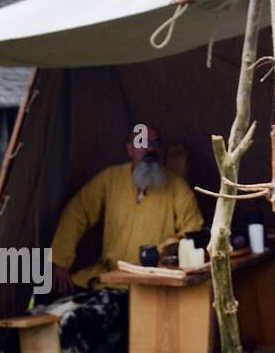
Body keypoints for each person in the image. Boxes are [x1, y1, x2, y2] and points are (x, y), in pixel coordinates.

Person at [50, 123, 203, 293]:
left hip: (153, 278)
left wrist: (160, 251)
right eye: (142, 142)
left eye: (155, 143)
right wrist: (60, 262)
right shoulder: (110, 179)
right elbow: (78, 212)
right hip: (109, 274)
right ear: (130, 149)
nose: (150, 148)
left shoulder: (177, 186)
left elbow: (193, 230)